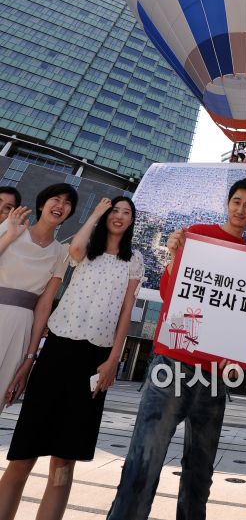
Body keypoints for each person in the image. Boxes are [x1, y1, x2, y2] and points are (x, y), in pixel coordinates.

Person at [106, 177, 246, 520]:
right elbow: (168, 294)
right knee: (143, 460)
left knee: (200, 473)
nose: (241, 209)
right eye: (236, 201)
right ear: (228, 203)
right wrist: (174, 256)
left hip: (213, 375)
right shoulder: (196, 234)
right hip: (171, 362)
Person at [0, 196, 144, 520]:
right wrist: (95, 211)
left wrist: (113, 360)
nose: (119, 216)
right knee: (24, 452)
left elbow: (125, 312)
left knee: (64, 462)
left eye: (126, 213)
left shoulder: (134, 261)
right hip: (58, 350)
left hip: (95, 359)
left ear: (132, 221)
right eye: (114, 211)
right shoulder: (81, 251)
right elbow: (76, 247)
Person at [0, 183, 78, 415]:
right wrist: (10, 236)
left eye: (67, 203)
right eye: (56, 199)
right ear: (42, 204)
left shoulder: (61, 253)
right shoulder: (10, 228)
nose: (60, 205)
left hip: (20, 328)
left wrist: (29, 359)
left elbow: (44, 307)